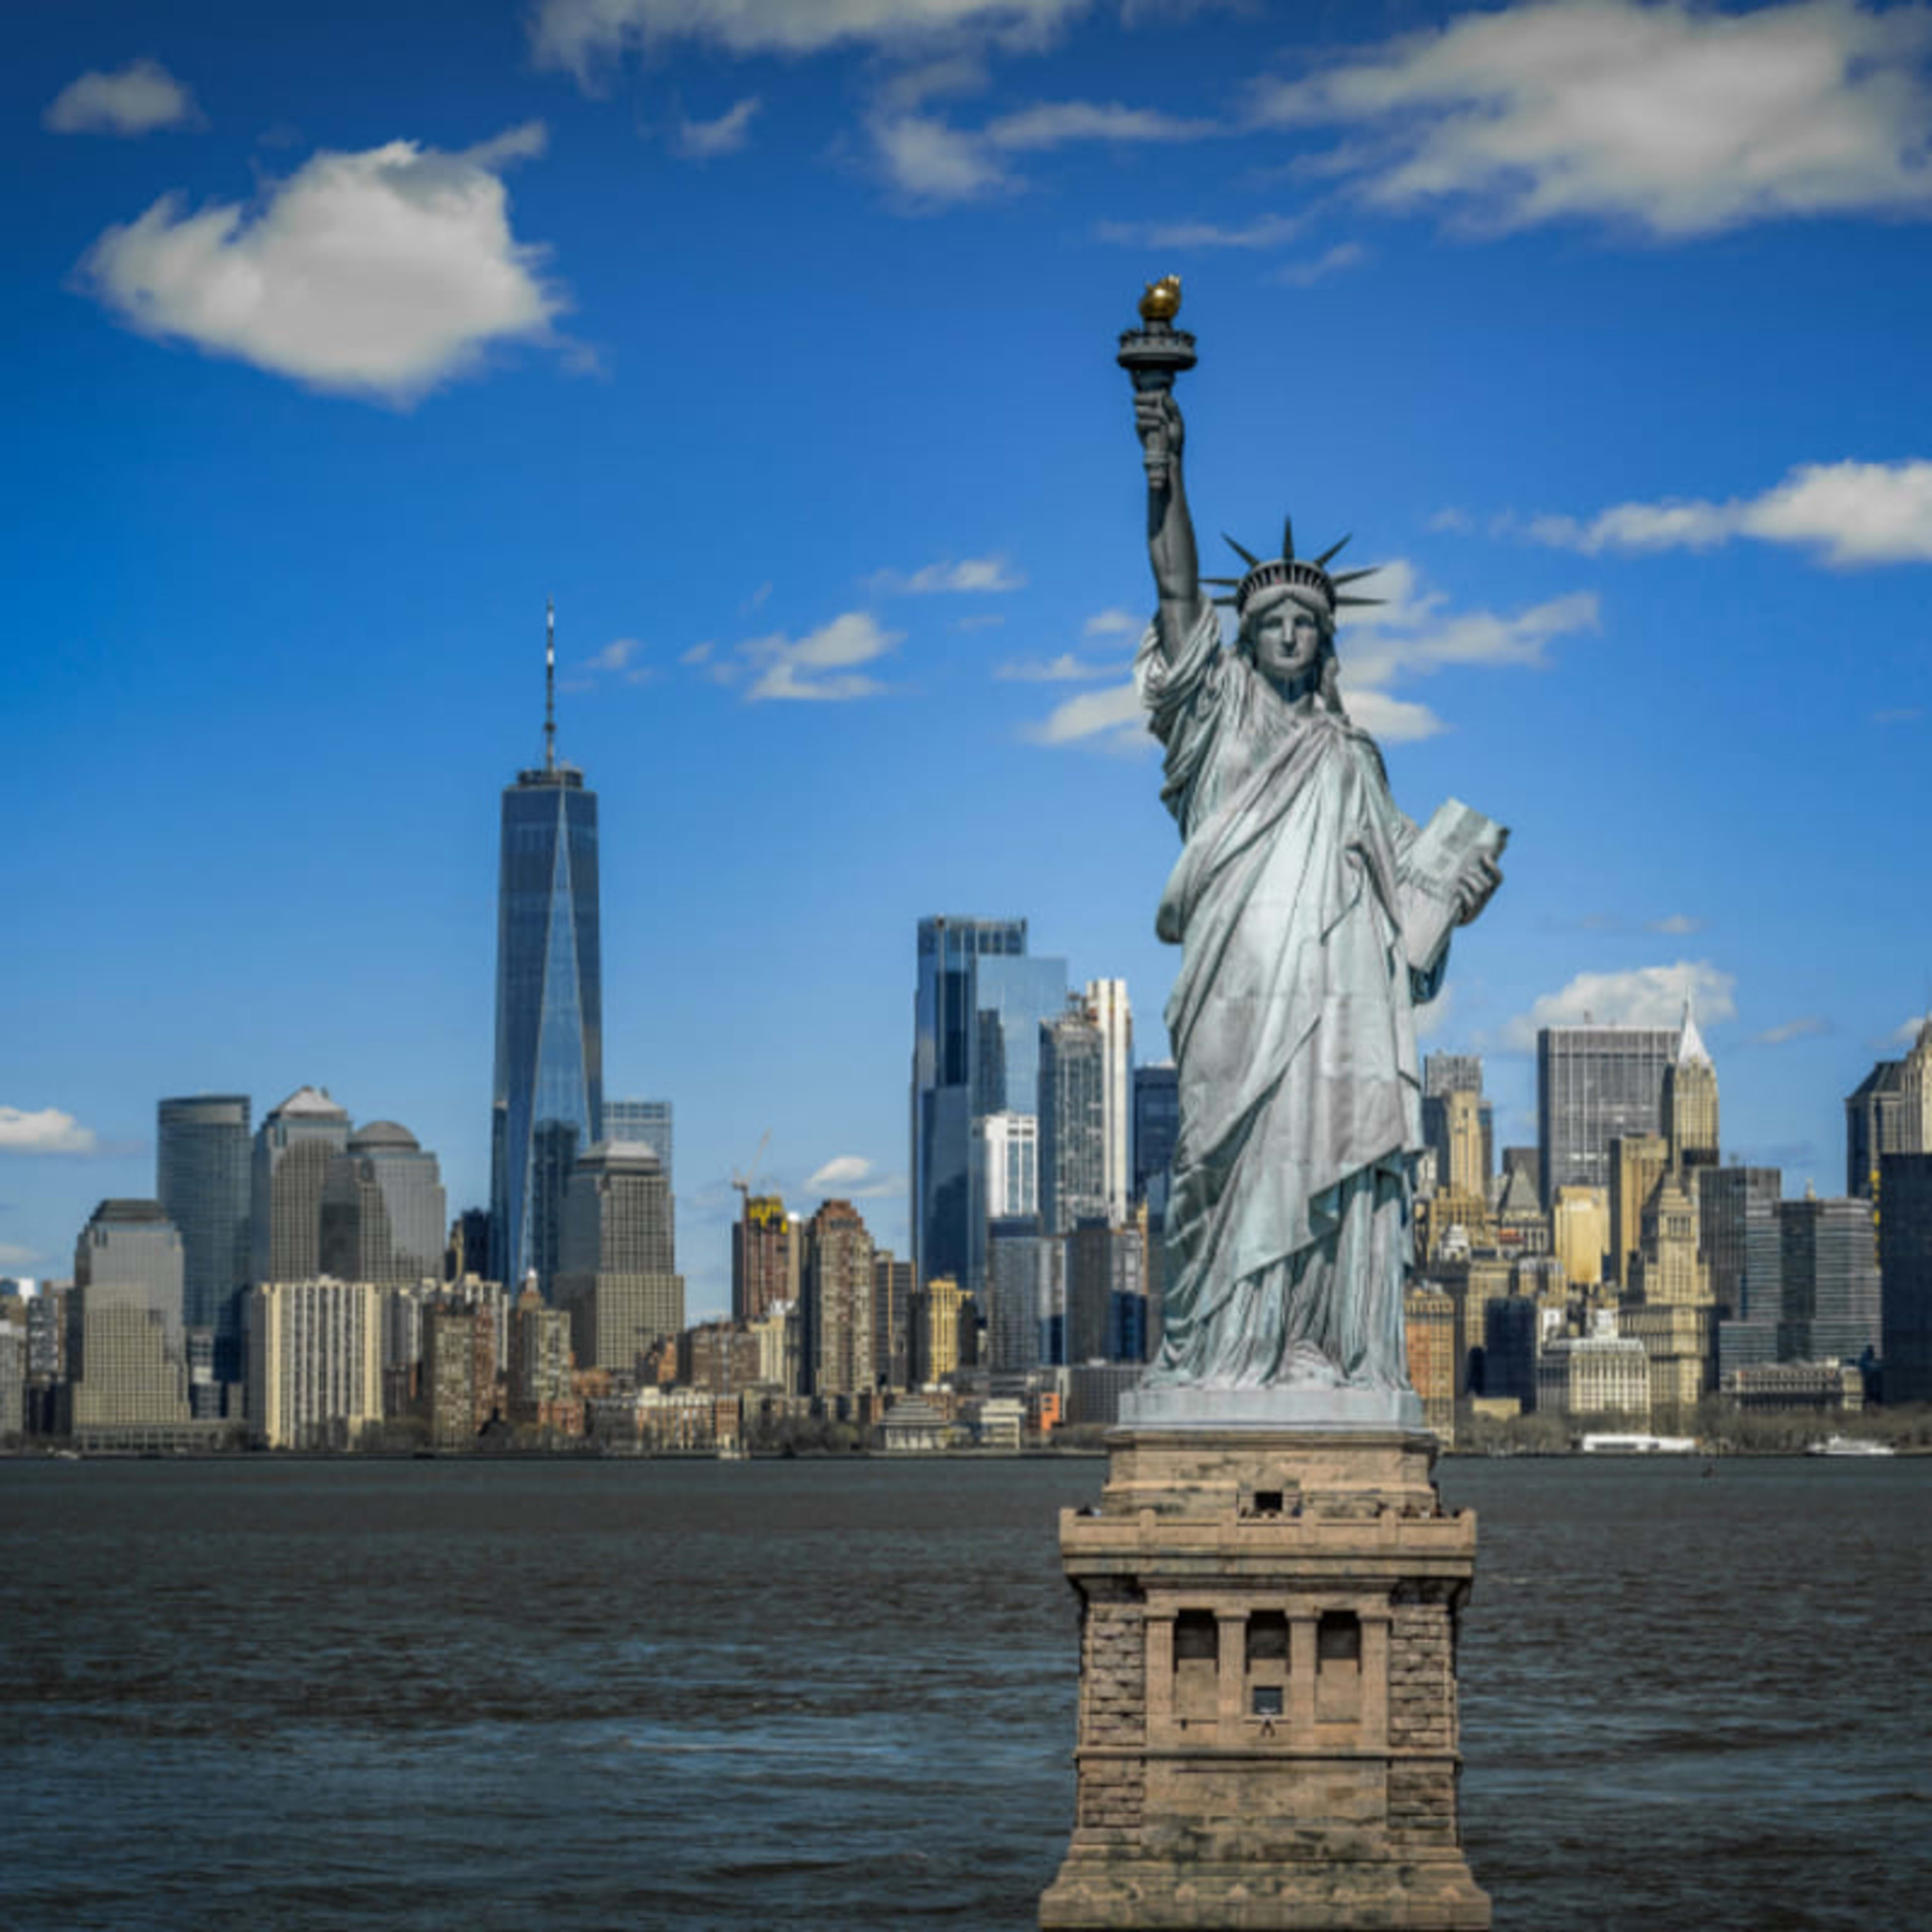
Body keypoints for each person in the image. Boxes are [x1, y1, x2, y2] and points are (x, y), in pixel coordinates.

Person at [1132, 387, 1501, 1393]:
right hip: (1236, 988)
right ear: (1244, 639)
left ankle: (1311, 1348)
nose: (1291, 633)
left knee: (1322, 1166)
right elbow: (1175, 602)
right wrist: (1165, 473)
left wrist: (1454, 893)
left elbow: (1405, 897)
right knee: (1225, 1160)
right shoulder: (1215, 725)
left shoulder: (1352, 758)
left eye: (1308, 622)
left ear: (1327, 643)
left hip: (1336, 1006)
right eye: (1272, 620)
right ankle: (1217, 1353)